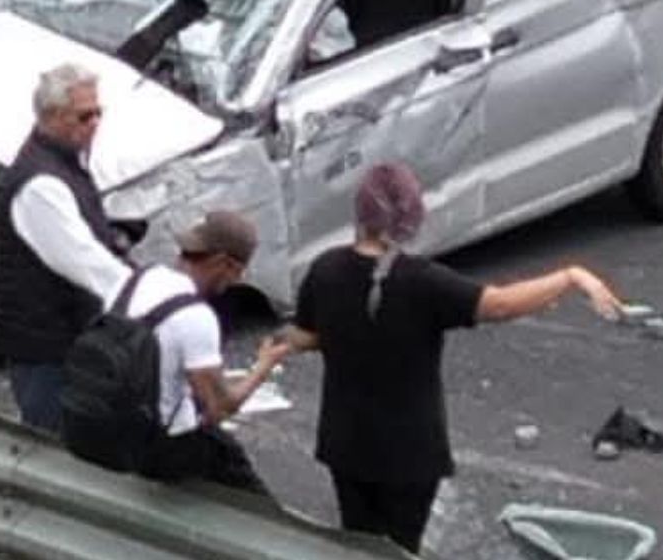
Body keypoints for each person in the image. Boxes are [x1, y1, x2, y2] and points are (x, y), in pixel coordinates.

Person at [261, 163, 623, 553]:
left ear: (360, 214)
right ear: (411, 219)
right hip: (409, 452)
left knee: (359, 542)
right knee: (401, 546)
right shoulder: (424, 282)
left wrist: (282, 345)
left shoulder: (325, 269)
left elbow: (310, 333)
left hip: (346, 445)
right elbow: (499, 305)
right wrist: (570, 277)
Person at [0, 63, 132, 435]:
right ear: (52, 116)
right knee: (53, 453)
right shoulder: (40, 186)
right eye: (85, 115)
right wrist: (141, 294)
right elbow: (84, 261)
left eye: (99, 112)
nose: (95, 123)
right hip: (47, 354)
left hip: (65, 345)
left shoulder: (64, 164)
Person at [124, 210, 287, 495]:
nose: (237, 281)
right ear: (225, 264)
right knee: (257, 504)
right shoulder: (195, 317)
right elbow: (219, 409)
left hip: (121, 426)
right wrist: (264, 365)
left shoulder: (145, 278)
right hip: (166, 445)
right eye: (239, 272)